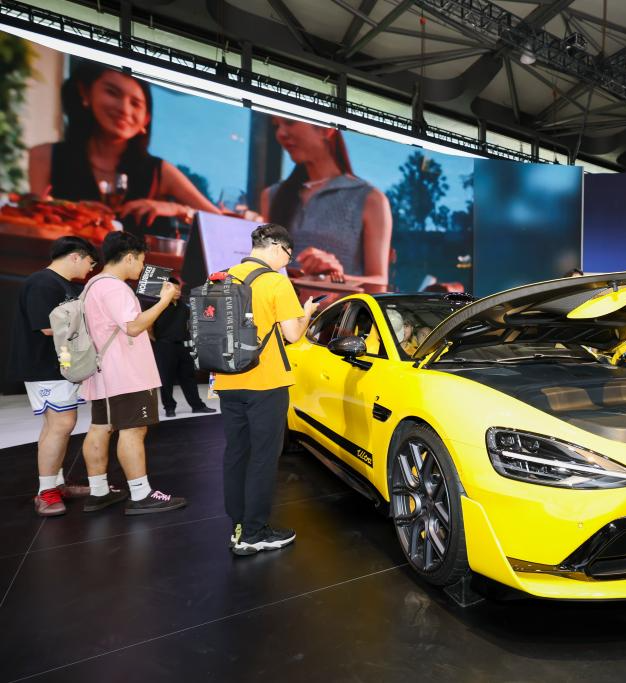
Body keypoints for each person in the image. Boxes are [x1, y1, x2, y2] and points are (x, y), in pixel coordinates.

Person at [215, 224, 317, 556]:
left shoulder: (223, 276)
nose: (287, 261)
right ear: (276, 246)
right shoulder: (276, 282)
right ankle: (254, 533)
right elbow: (292, 335)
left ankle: (238, 527)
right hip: (266, 383)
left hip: (227, 380)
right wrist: (306, 314)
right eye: (288, 255)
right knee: (263, 458)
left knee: (236, 454)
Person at [28, 62, 219, 230]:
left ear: (146, 119)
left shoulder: (159, 171)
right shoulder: (44, 156)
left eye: (135, 103)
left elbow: (223, 224)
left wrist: (177, 209)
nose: (124, 109)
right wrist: (72, 210)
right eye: (112, 93)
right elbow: (32, 224)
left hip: (145, 262)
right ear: (85, 93)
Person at [80, 232, 187, 514]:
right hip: (127, 373)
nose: (141, 267)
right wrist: (164, 300)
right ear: (129, 257)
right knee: (134, 429)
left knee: (101, 427)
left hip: (104, 372)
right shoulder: (115, 288)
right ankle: (140, 494)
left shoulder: (93, 284)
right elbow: (134, 327)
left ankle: (99, 491)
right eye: (141, 261)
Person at [6, 237, 100, 516]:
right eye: (90, 262)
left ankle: (55, 484)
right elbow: (48, 328)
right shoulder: (42, 283)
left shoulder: (62, 284)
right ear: (75, 256)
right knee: (61, 424)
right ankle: (46, 492)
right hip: (45, 367)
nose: (91, 268)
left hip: (60, 366)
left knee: (57, 425)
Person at [259, 117, 392, 291]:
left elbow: (378, 283)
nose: (280, 134)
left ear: (326, 129)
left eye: (290, 122)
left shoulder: (370, 199)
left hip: (338, 309)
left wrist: (335, 278)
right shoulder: (272, 196)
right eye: (277, 126)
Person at [151, 276, 216, 418]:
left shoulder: (184, 306)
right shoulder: (157, 305)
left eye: (179, 288)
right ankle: (169, 408)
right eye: (174, 289)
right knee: (166, 379)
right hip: (164, 347)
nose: (178, 291)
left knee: (189, 377)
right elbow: (149, 327)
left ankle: (197, 406)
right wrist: (158, 340)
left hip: (184, 346)